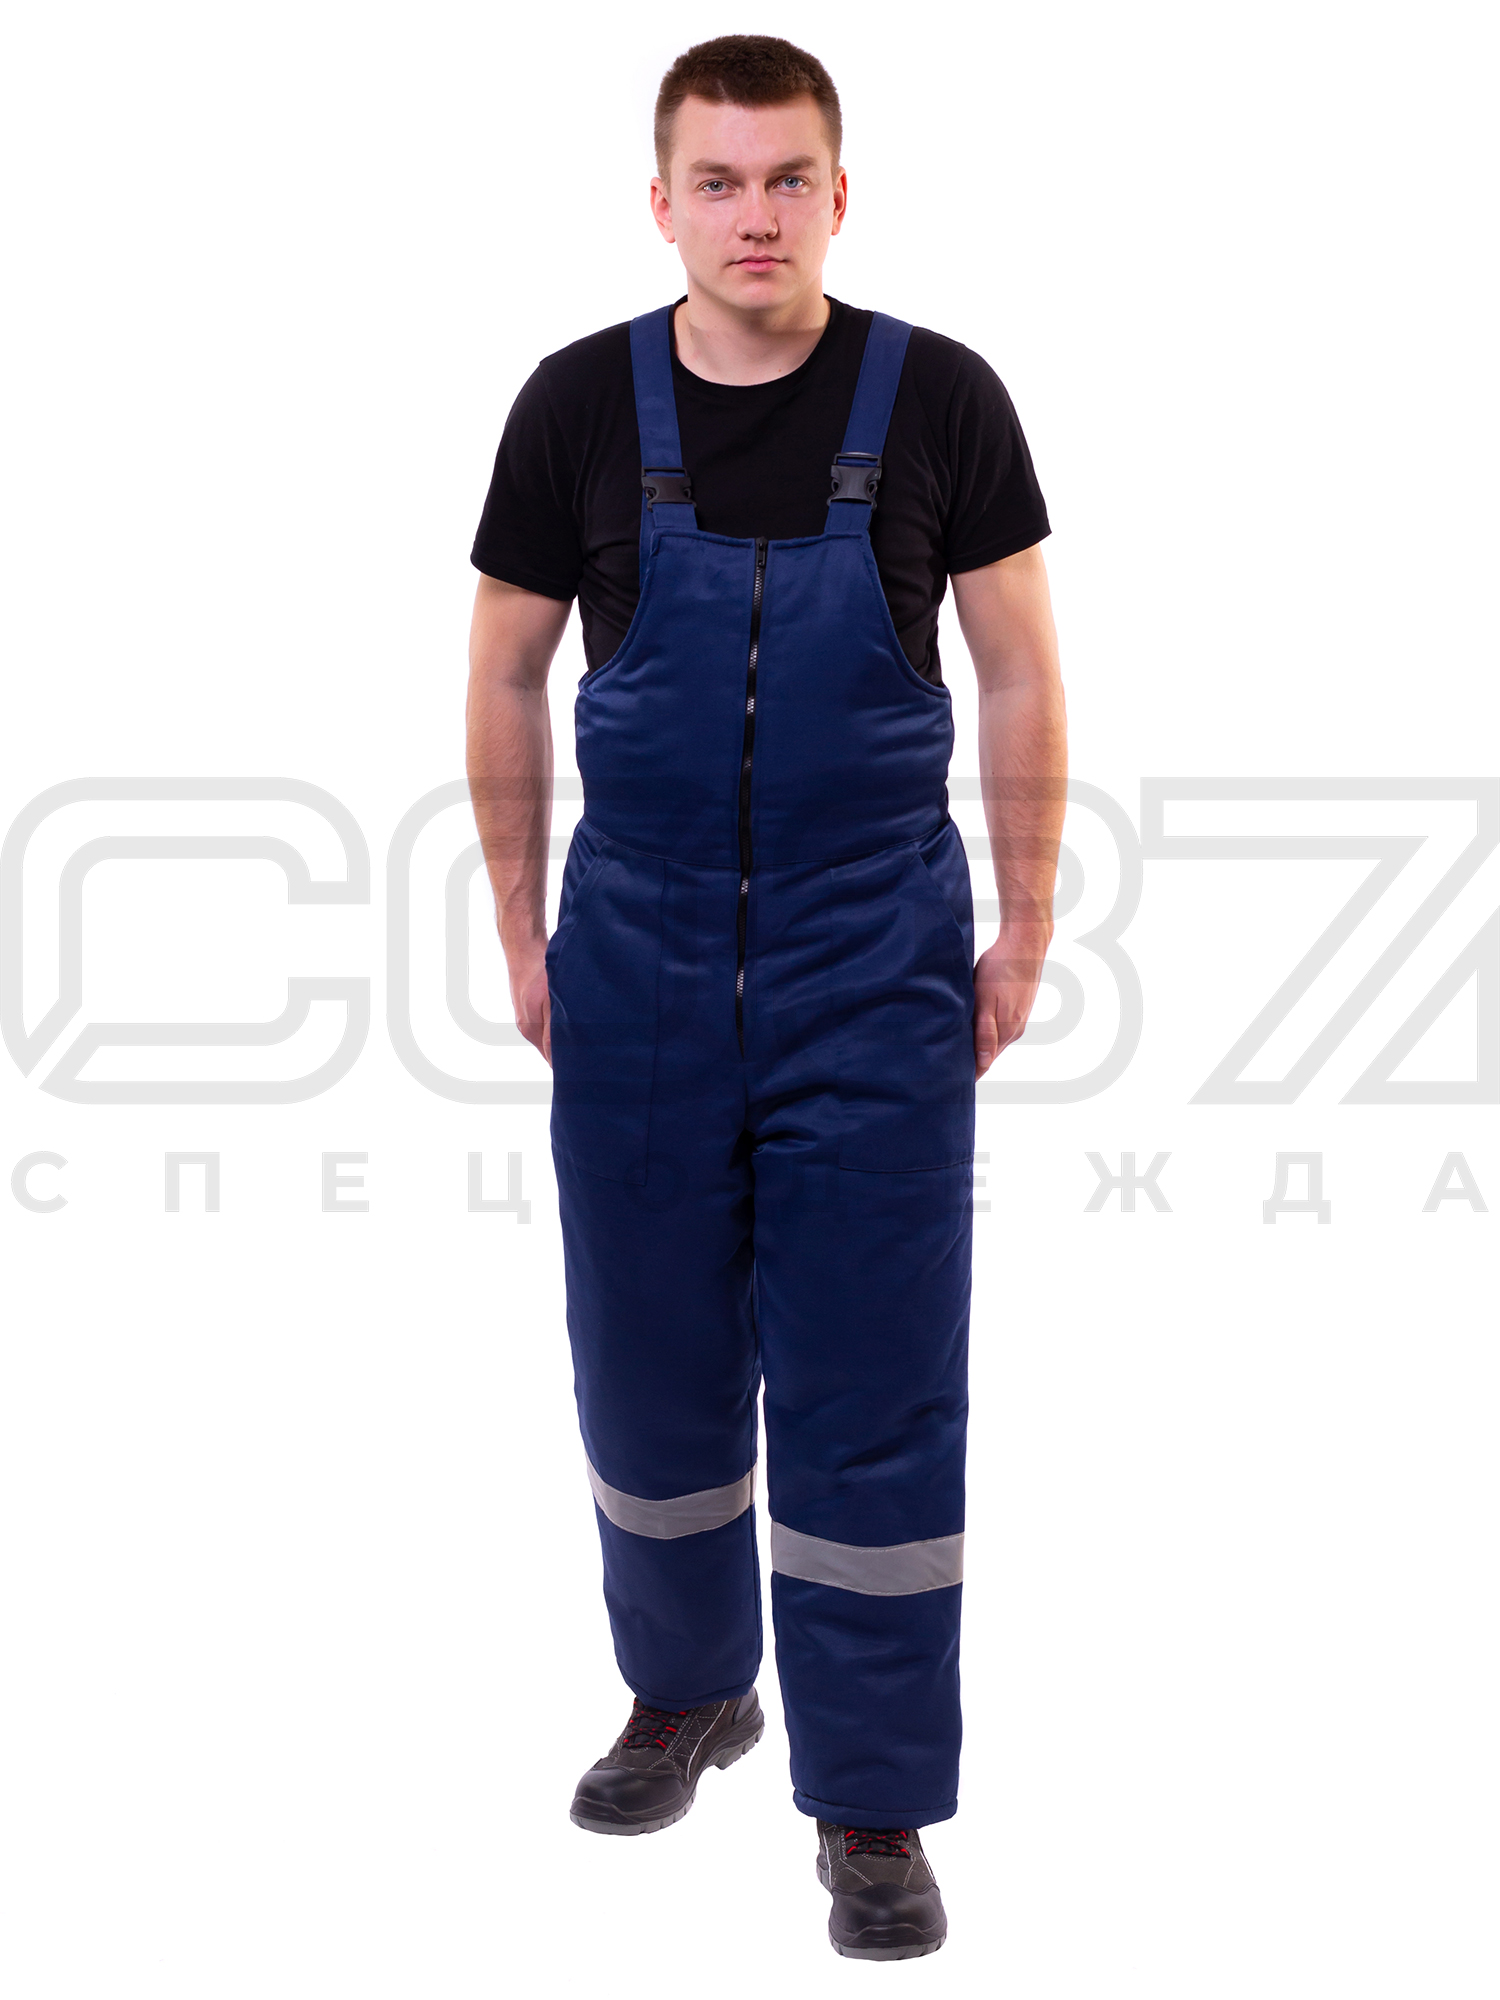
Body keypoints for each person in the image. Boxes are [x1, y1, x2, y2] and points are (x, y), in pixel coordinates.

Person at [465, 34, 1066, 1962]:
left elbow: (1020, 671)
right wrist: (520, 932)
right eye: (717, 181)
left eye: (787, 177)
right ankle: (687, 1690)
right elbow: (502, 674)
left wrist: (1026, 930)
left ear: (839, 194)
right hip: (634, 960)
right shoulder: (577, 405)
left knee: (873, 1386)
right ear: (661, 203)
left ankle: (870, 1802)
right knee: (644, 1363)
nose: (754, 214)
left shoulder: (941, 398)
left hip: (869, 959)